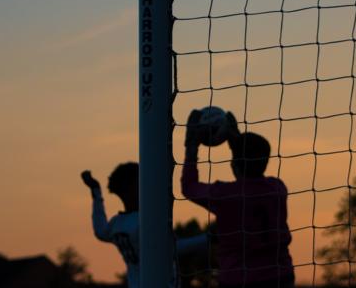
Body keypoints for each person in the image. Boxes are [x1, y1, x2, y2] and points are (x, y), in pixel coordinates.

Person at [182, 110, 294, 288]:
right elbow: (247, 163)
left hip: (239, 279)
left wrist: (192, 147)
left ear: (233, 163)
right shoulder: (277, 188)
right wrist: (237, 140)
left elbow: (189, 187)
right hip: (281, 276)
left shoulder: (225, 195)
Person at [80, 162, 206, 288]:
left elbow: (100, 230)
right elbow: (172, 249)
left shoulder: (116, 224)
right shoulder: (145, 221)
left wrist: (96, 192)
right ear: (130, 188)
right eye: (141, 182)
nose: (147, 186)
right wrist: (210, 238)